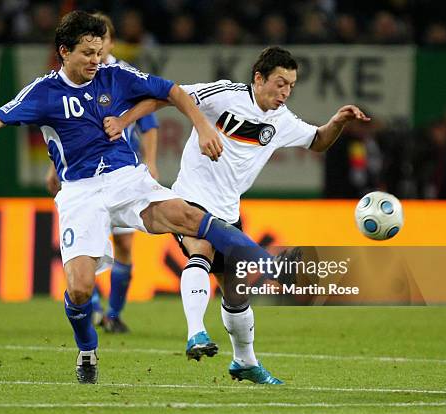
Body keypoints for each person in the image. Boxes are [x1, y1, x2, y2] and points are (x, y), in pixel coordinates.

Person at [0, 11, 286, 384]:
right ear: (64, 52)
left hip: (128, 180)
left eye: (99, 52)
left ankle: (268, 262)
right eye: (88, 54)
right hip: (80, 193)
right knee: (79, 289)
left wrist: (203, 124)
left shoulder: (115, 75)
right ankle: (87, 350)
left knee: (190, 217)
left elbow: (172, 91)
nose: (97, 61)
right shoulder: (43, 92)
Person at [104, 46, 370, 384]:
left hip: (229, 210)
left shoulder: (282, 119)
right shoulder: (224, 94)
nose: (285, 92)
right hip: (190, 199)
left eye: (291, 85)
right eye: (280, 83)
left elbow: (317, 141)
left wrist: (337, 122)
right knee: (200, 251)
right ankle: (196, 332)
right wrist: (125, 121)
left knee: (236, 291)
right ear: (258, 79)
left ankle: (244, 362)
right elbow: (167, 97)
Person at [45, 12, 160, 334]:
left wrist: (150, 162)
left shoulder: (122, 75)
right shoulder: (70, 77)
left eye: (105, 39)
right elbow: (62, 129)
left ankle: (114, 313)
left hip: (122, 175)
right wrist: (53, 166)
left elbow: (149, 123)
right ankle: (92, 305)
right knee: (87, 248)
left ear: (110, 41)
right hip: (83, 179)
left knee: (124, 247)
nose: (100, 46)